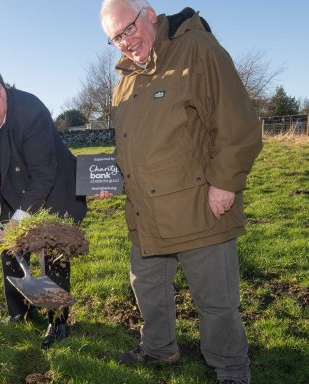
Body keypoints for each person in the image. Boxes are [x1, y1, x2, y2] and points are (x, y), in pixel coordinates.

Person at [99, 1, 263, 383]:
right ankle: (160, 348)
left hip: (199, 205)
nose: (125, 42)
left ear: (150, 15)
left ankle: (232, 370)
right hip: (148, 213)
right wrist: (111, 178)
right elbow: (132, 145)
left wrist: (225, 183)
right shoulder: (125, 79)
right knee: (147, 285)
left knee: (215, 301)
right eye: (115, 38)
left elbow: (237, 122)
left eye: (128, 29)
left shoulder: (197, 50)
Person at [0, 61, 87, 349]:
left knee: (53, 253)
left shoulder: (31, 112)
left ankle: (58, 320)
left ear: (1, 90)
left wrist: (19, 219)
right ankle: (19, 313)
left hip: (53, 189)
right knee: (10, 251)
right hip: (12, 186)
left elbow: (43, 175)